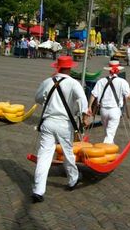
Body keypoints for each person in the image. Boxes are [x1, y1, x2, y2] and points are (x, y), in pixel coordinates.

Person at [32, 56, 90, 203]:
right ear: (70, 68)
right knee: (67, 153)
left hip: (48, 122)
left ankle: (38, 189)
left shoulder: (47, 81)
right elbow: (83, 100)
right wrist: (84, 116)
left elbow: (38, 99)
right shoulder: (73, 83)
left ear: (57, 67)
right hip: (65, 124)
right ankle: (72, 179)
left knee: (44, 156)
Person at [88, 60, 130, 144]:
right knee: (110, 134)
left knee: (107, 132)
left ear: (109, 70)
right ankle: (106, 150)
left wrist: (89, 107)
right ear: (118, 70)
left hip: (103, 110)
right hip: (115, 110)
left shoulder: (101, 81)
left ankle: (110, 148)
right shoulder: (122, 82)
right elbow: (128, 95)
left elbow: (93, 94)